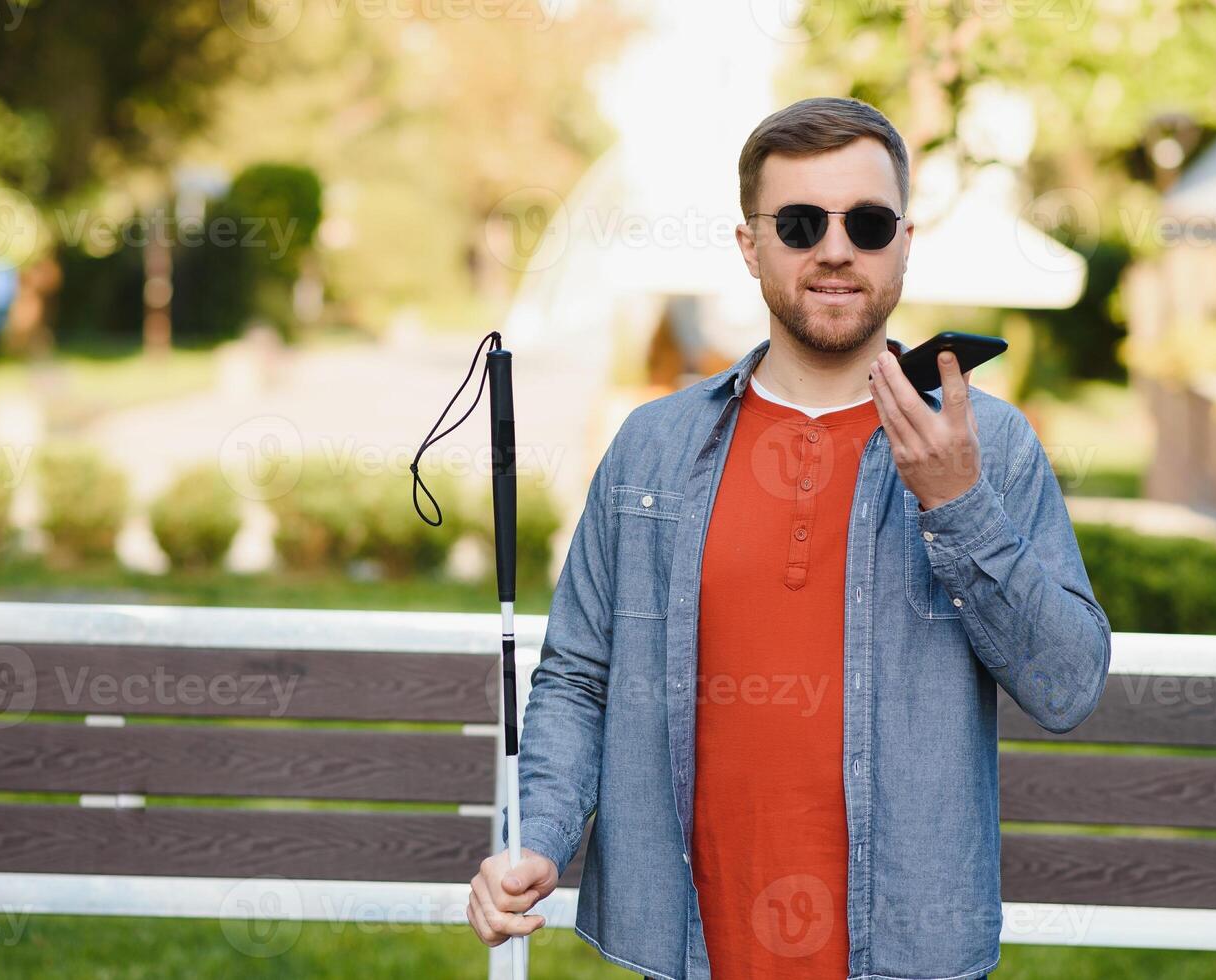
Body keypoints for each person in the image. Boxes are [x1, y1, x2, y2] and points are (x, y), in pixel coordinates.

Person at [467, 96, 1110, 980]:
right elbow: (580, 674)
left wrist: (958, 505)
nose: (836, 250)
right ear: (750, 246)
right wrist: (538, 836)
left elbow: (1069, 684)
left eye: (869, 223)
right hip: (691, 950)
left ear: (905, 243)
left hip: (906, 959)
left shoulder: (985, 448)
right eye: (801, 223)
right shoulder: (651, 447)